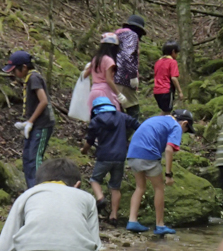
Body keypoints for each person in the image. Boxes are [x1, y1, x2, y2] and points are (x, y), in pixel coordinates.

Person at [126, 109, 195, 235]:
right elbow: (169, 150)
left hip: (132, 154)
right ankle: (160, 225)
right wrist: (168, 174)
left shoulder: (158, 118)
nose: (184, 132)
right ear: (184, 123)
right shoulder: (176, 126)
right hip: (148, 155)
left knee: (140, 187)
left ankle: (132, 220)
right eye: (187, 129)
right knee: (159, 188)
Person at [81, 97, 140, 226]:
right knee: (115, 186)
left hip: (104, 156)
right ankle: (113, 216)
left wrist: (84, 150)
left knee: (95, 180)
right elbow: (137, 125)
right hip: (120, 157)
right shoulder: (122, 117)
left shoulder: (96, 121)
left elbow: (90, 141)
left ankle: (100, 198)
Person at [3, 50, 56, 189]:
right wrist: (27, 122)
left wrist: (31, 121)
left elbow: (43, 101)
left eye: (15, 71)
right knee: (27, 158)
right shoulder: (29, 79)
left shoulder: (34, 78)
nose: (13, 74)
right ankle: (31, 189)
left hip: (43, 124)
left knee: (34, 159)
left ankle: (38, 190)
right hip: (35, 124)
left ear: (24, 67)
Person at [83, 33, 127, 112]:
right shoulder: (109, 60)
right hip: (104, 92)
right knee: (110, 116)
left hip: (93, 91)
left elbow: (84, 75)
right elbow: (109, 80)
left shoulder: (96, 59)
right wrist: (119, 94)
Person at [115, 15, 147, 120]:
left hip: (112, 76)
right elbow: (128, 55)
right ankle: (123, 135)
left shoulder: (117, 35)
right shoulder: (132, 35)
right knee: (133, 111)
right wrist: (133, 76)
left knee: (115, 108)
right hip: (125, 78)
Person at [154, 41, 184, 115]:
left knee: (164, 111)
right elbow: (174, 78)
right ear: (173, 52)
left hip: (157, 91)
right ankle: (156, 125)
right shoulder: (172, 62)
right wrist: (180, 92)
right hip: (166, 91)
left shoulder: (158, 62)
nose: (177, 55)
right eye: (177, 53)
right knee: (167, 112)